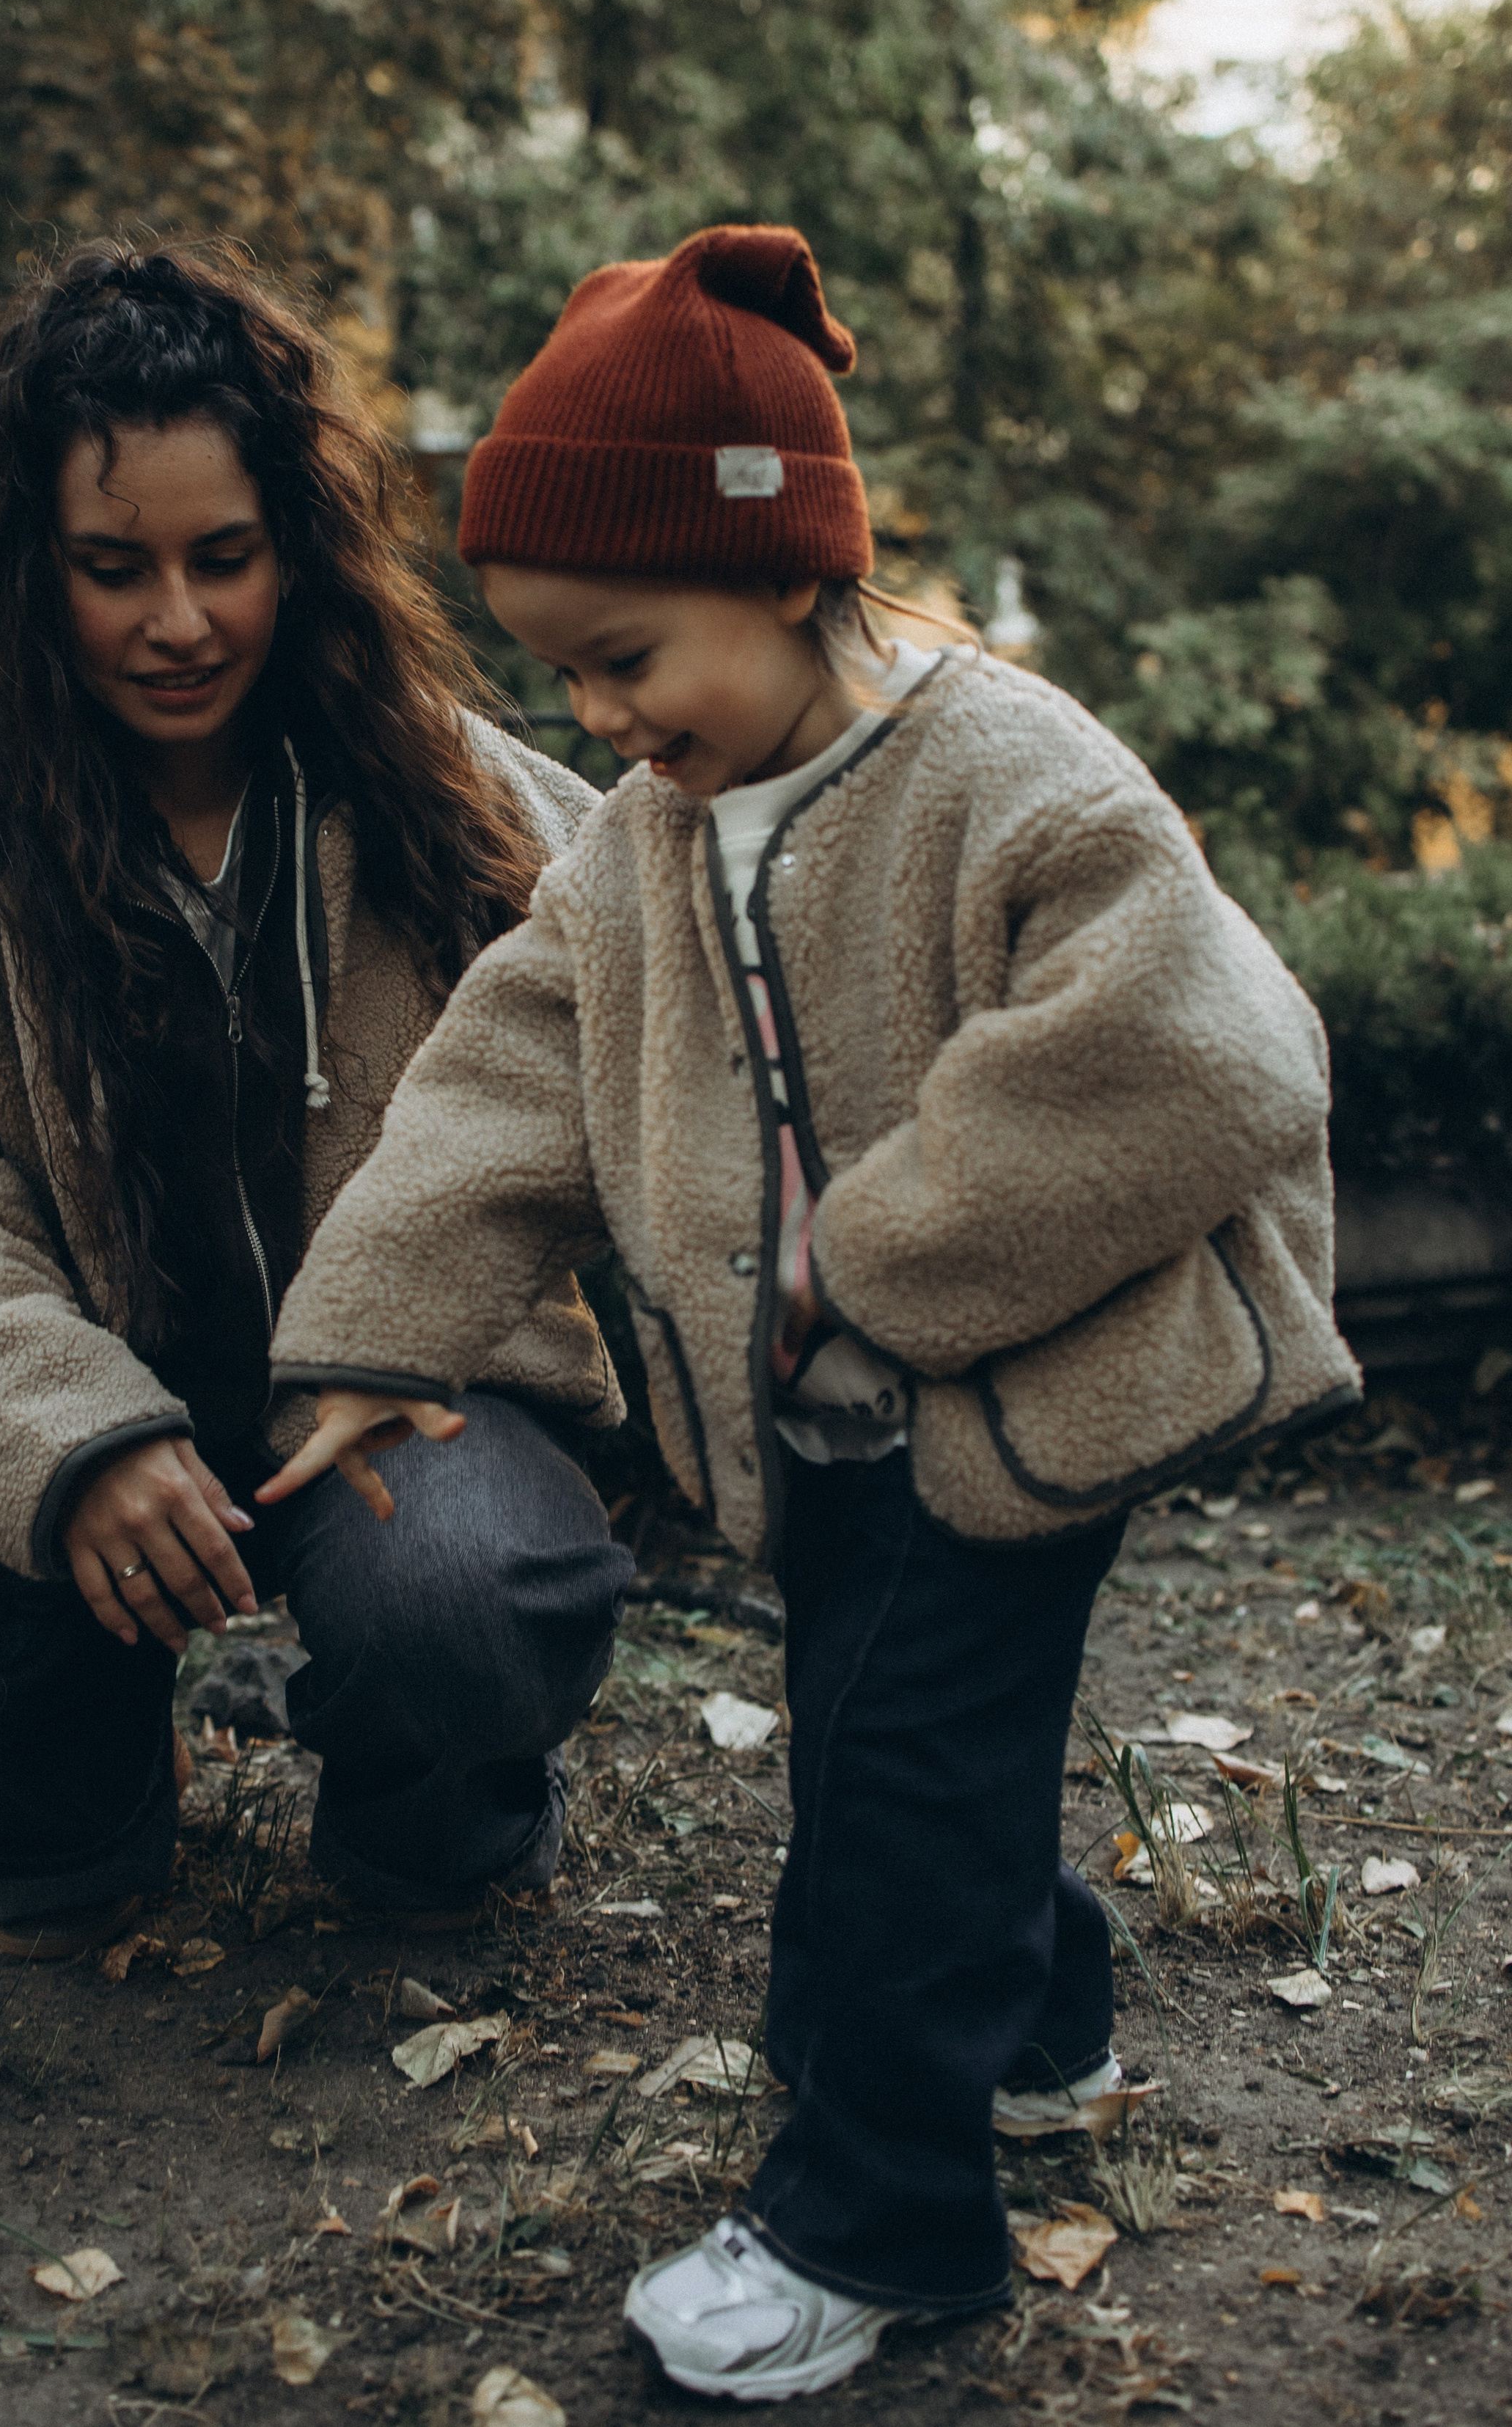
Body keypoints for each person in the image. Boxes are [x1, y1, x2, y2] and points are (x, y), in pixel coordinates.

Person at [254, 224, 1363, 2400]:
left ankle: (882, 2215)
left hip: (1022, 1395)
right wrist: (383, 1317)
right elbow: (512, 1064)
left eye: (627, 653)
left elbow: (1203, 1048)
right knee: (895, 1750)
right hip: (822, 1417)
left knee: (898, 1768)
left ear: (784, 568)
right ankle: (1030, 2011)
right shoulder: (649, 837)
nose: (596, 716)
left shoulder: (1011, 773)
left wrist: (877, 1251)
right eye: (559, 670)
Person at [0, 239, 632, 1956]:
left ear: (295, 544)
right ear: (23, 565)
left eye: (225, 557)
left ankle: (431, 1834)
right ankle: (68, 1836)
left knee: (462, 1590)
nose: (178, 620)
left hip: (397, 1429)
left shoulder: (450, 793)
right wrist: (70, 1442)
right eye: (109, 567)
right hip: (78, 1450)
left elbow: (653, 1003)